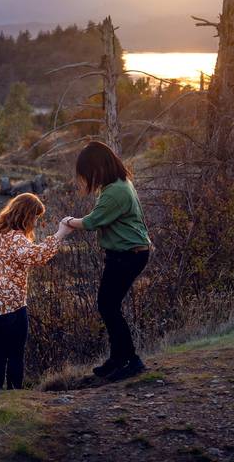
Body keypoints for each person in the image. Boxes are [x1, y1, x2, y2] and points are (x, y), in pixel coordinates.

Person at [62, 141, 151, 381]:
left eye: (88, 172)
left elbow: (92, 222)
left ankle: (131, 360)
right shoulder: (117, 184)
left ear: (99, 167)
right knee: (109, 306)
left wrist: (68, 221)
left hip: (128, 255)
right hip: (125, 253)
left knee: (108, 306)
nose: (87, 178)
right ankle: (118, 358)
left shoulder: (116, 191)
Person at [0, 193, 73, 389]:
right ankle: (14, 395)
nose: (35, 222)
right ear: (26, 215)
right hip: (10, 307)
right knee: (15, 354)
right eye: (35, 217)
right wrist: (61, 233)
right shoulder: (15, 238)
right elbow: (37, 256)